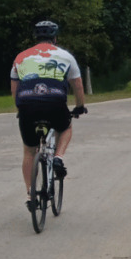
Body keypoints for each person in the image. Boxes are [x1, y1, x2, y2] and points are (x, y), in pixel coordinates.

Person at [11, 20, 86, 211]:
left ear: (35, 38)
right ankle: (58, 157)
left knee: (29, 150)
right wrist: (79, 106)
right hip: (55, 103)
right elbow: (77, 84)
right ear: (55, 38)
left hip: (27, 104)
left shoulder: (21, 57)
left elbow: (15, 87)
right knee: (66, 127)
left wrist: (20, 107)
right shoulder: (65, 56)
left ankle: (30, 195)